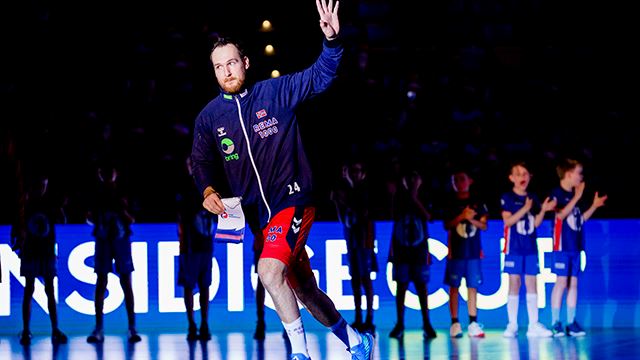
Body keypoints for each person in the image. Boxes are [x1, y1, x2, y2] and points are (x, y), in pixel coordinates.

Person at [190, 1, 374, 359]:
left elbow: (320, 75)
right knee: (304, 289)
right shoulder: (209, 117)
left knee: (269, 272)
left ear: (245, 63)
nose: (226, 70)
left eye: (231, 62)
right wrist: (208, 190)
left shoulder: (276, 93)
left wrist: (332, 41)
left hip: (293, 201)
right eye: (218, 67)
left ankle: (300, 354)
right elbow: (200, 160)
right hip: (261, 219)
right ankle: (356, 342)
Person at [548, 158, 607, 337]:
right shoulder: (556, 194)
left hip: (575, 246)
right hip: (562, 246)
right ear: (568, 174)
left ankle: (570, 322)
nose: (581, 177)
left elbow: (578, 220)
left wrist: (593, 207)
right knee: (561, 282)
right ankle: (555, 322)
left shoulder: (576, 196)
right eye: (579, 173)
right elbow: (560, 216)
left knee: (573, 283)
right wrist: (576, 197)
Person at [85, 163, 141, 343]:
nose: (107, 175)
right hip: (103, 241)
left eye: (110, 172)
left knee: (126, 282)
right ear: (100, 173)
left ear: (115, 173)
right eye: (104, 172)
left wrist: (122, 210)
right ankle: (99, 328)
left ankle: (132, 327)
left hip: (121, 241)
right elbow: (89, 218)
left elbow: (132, 218)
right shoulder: (96, 194)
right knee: (101, 282)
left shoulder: (123, 193)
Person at [500, 161, 555, 338]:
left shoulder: (533, 197)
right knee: (514, 282)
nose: (522, 177)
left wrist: (543, 210)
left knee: (532, 283)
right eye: (518, 174)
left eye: (525, 174)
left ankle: (533, 325)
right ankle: (512, 324)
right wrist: (525, 208)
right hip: (514, 248)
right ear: (511, 178)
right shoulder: (507, 197)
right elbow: (507, 221)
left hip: (531, 247)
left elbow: (535, 224)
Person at [10, 175, 68, 345]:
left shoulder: (49, 206)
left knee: (49, 291)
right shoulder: (24, 207)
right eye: (39, 185)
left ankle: (55, 329)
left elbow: (63, 221)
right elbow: (15, 232)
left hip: (47, 253)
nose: (42, 189)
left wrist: (61, 208)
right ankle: (27, 330)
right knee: (29, 290)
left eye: (44, 185)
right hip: (30, 253)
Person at [387, 169, 437, 340]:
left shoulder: (425, 195)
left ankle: (427, 323)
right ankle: (400, 324)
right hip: (401, 249)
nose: (410, 181)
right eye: (407, 178)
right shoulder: (398, 197)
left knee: (422, 287)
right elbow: (393, 216)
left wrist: (415, 196)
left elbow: (429, 217)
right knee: (401, 288)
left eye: (414, 178)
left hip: (419, 249)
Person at [330, 160, 377, 333]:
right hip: (352, 241)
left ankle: (369, 318)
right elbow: (344, 219)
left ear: (363, 173)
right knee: (355, 279)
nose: (355, 174)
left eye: (358, 170)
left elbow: (365, 215)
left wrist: (370, 245)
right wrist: (337, 202)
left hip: (364, 242)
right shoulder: (346, 192)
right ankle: (359, 316)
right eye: (352, 170)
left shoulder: (365, 191)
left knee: (365, 279)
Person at [442, 169, 488, 338]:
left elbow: (484, 225)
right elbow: (447, 225)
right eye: (455, 180)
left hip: (473, 251)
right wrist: (462, 215)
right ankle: (454, 323)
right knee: (454, 287)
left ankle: (473, 322)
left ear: (470, 181)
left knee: (472, 287)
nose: (458, 183)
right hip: (456, 252)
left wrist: (470, 218)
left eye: (462, 179)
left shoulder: (477, 202)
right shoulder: (450, 202)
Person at [176, 157, 215, 341]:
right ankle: (191, 324)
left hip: (206, 245)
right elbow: (180, 219)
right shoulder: (184, 188)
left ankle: (205, 323)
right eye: (189, 162)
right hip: (190, 247)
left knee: (204, 285)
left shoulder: (210, 186)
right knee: (189, 286)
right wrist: (183, 244)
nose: (192, 165)